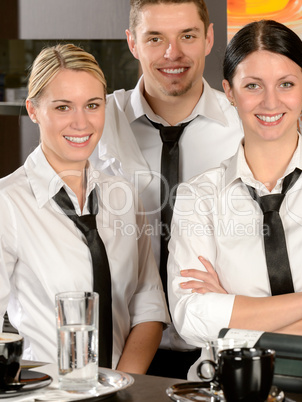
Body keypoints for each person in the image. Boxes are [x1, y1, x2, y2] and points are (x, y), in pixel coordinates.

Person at [167, 20, 302, 372]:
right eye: (252, 85)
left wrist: (229, 326)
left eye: (286, 84)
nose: (270, 102)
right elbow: (191, 319)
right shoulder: (199, 195)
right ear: (230, 92)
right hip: (226, 386)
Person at [0, 44, 170, 373]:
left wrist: (120, 384)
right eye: (63, 107)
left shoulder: (122, 195)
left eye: (92, 105)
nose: (81, 122)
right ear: (33, 110)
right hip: (43, 393)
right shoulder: (4, 202)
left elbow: (148, 305)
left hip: (123, 391)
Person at [90, 0, 243, 378]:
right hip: (118, 349)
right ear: (132, 43)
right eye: (155, 38)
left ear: (209, 38)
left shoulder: (246, 126)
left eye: (187, 36)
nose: (172, 54)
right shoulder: (94, 121)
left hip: (221, 348)